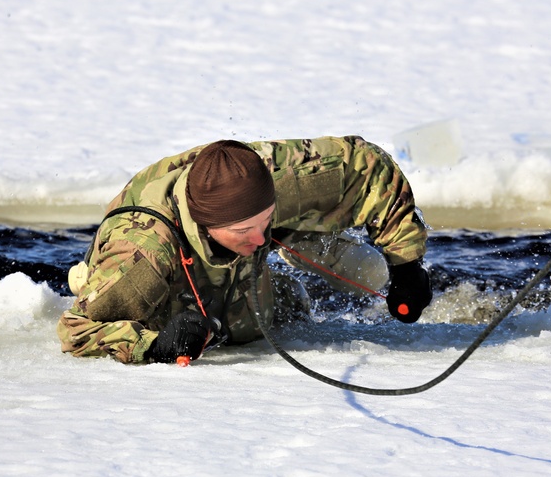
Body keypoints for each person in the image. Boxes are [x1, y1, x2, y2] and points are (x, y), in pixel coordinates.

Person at [56, 136, 432, 364]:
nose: (258, 240)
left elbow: (367, 167)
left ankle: (274, 267)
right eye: (243, 231)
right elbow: (78, 331)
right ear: (206, 224)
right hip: (166, 279)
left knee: (367, 272)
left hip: (244, 248)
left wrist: (406, 264)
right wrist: (154, 347)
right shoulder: (143, 254)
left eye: (265, 222)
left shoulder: (266, 175)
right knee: (198, 329)